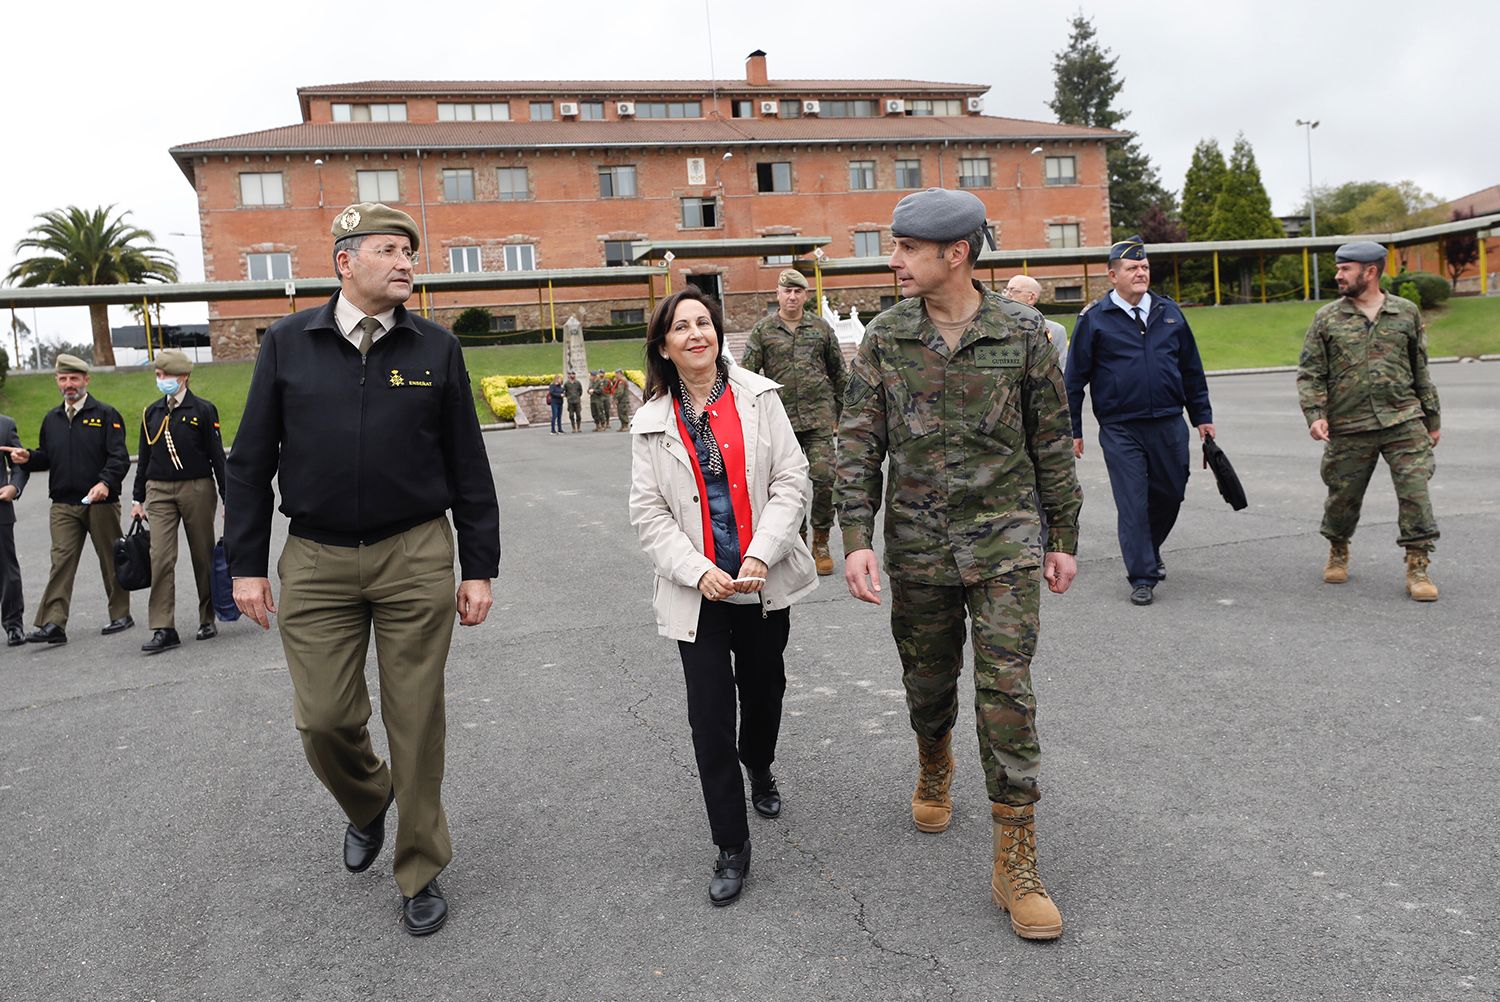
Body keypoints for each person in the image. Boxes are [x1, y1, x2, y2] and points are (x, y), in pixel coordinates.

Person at [224, 202, 501, 937]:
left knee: (415, 717)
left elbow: (467, 464)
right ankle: (369, 799)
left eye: (411, 249)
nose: (407, 261)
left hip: (413, 553)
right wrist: (245, 566)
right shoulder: (288, 343)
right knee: (323, 720)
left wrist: (480, 566)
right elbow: (250, 463)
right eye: (390, 249)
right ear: (345, 261)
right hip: (314, 558)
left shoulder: (436, 348)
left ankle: (419, 868)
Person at [836, 188, 1081, 941]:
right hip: (918, 544)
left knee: (1008, 690)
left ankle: (1017, 857)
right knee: (929, 679)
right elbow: (858, 442)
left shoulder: (1026, 335)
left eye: (907, 247)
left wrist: (1063, 532)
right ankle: (934, 757)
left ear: (956, 254)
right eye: (896, 245)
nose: (895, 258)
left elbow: (1052, 439)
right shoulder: (884, 337)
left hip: (1005, 542)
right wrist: (856, 536)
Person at [628, 286, 818, 907]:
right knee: (709, 719)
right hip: (699, 592)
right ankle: (730, 844)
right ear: (663, 345)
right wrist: (695, 570)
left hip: (760, 582)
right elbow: (649, 512)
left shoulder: (760, 398)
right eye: (680, 327)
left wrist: (760, 553)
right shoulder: (651, 421)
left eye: (703, 323)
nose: (695, 334)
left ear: (719, 334)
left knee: (764, 691)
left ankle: (759, 762)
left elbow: (792, 479)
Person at [1065, 235, 1214, 607]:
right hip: (1120, 427)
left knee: (1171, 492)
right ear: (1112, 275)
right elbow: (1073, 380)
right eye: (1132, 268)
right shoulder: (1094, 319)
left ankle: (1148, 548)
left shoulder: (1169, 312)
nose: (1140, 273)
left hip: (1168, 422)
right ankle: (1142, 575)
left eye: (1144, 267)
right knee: (1133, 502)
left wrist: (1203, 418)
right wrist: (1074, 430)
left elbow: (1191, 370)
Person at [1296, 241, 1441, 600]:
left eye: (1345, 269)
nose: (1338, 275)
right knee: (1342, 498)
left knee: (1416, 494)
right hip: (1349, 423)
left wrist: (1432, 418)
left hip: (1403, 419)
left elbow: (1419, 368)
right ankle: (1338, 547)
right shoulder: (1327, 317)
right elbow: (1311, 372)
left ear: (1370, 271)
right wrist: (1315, 414)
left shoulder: (1405, 312)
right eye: (1338, 268)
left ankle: (1417, 566)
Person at [4, 354, 133, 644]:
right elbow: (47, 457)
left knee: (110, 558)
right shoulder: (52, 419)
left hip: (100, 502)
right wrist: (28, 458)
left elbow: (119, 458)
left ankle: (121, 614)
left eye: (74, 378)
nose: (68, 384)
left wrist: (105, 483)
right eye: (63, 379)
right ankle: (53, 624)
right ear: (57, 382)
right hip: (63, 504)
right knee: (60, 561)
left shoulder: (106, 414)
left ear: (86, 379)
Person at [739, 268, 846, 576]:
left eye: (798, 291)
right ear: (778, 295)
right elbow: (747, 374)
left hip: (818, 417)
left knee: (826, 477)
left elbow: (839, 372)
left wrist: (846, 413)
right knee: (790, 486)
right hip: (780, 421)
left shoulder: (821, 328)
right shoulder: (764, 330)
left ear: (805, 296)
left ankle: (821, 539)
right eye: (787, 291)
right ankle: (797, 540)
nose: (792, 296)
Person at [129, 349, 228, 653]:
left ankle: (207, 616)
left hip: (196, 488)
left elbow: (217, 458)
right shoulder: (152, 412)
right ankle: (163, 627)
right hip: (159, 491)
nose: (161, 381)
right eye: (158, 376)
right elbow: (143, 458)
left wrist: (229, 499)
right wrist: (137, 498)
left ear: (183, 377)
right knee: (160, 558)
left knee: (202, 554)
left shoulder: (203, 409)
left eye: (166, 376)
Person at [0, 411, 30, 647]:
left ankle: (13, 625)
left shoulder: (5, 425)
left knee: (7, 570)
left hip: (0, 508)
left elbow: (20, 465)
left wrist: (13, 487)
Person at [1002, 275, 1068, 374]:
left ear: (1031, 297)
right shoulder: (995, 327)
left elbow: (1060, 370)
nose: (1006, 295)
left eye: (1013, 291)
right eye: (1005, 290)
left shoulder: (1055, 330)